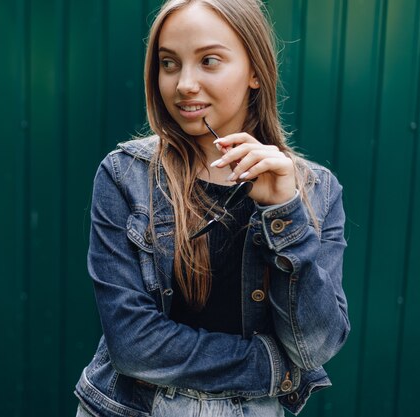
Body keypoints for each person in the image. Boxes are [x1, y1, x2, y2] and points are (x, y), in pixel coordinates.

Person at [74, 0, 349, 415]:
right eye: (169, 63)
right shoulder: (125, 175)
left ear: (255, 71)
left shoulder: (316, 190)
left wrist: (285, 214)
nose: (184, 83)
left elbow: (316, 345)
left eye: (209, 61)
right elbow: (133, 345)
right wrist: (273, 368)